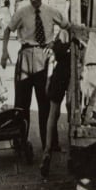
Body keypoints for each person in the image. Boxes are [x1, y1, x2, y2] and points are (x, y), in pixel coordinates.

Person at [1, 0, 69, 151]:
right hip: (25, 56)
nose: (33, 0)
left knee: (45, 103)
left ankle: (50, 143)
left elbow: (67, 27)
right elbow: (8, 30)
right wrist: (4, 52)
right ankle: (20, 142)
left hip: (43, 58)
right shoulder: (22, 12)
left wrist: (55, 44)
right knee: (21, 103)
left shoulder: (51, 12)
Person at [40, 31, 71, 179]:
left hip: (60, 74)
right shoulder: (69, 34)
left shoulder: (61, 35)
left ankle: (47, 150)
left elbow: (52, 60)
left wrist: (48, 81)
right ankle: (71, 148)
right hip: (72, 73)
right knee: (70, 111)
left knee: (53, 113)